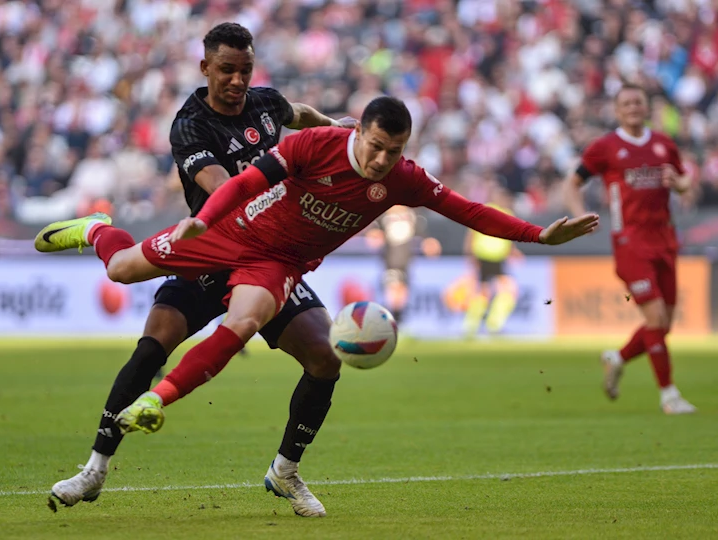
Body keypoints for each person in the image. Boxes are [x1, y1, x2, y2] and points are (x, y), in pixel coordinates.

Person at [36, 97, 598, 515]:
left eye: (393, 151)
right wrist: (204, 219)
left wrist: (537, 235)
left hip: (276, 262)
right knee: (123, 267)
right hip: (230, 230)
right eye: (375, 146)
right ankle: (97, 230)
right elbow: (248, 181)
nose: (381, 160)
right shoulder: (314, 146)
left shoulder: (402, 179)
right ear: (359, 131)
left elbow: (468, 209)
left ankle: (186, 414)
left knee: (251, 322)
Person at [48, 23, 356, 517]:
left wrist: (335, 125)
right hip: (208, 251)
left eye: (245, 70)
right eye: (227, 71)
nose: (237, 80)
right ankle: (93, 471)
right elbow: (218, 186)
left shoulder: (265, 102)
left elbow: (297, 114)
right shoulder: (189, 124)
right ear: (205, 68)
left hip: (265, 258)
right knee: (150, 346)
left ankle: (285, 472)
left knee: (325, 358)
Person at [563, 83, 696, 415]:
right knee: (655, 316)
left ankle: (618, 358)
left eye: (638, 102)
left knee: (663, 324)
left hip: (665, 239)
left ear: (647, 107)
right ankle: (669, 395)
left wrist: (680, 184)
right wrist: (579, 216)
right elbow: (573, 182)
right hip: (630, 243)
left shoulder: (664, 145)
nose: (633, 107)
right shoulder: (605, 148)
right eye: (626, 103)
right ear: (618, 110)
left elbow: (684, 182)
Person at [461, 183, 522, 337]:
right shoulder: (487, 211)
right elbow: (472, 235)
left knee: (491, 291)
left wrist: (513, 252)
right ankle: (484, 324)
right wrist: (470, 254)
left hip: (495, 258)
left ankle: (480, 324)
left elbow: (508, 238)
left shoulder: (503, 213)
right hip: (486, 257)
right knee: (490, 291)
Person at [364, 205, 441, 326]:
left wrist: (428, 242)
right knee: (393, 288)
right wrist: (374, 236)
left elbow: (422, 233)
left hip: (406, 259)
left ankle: (397, 320)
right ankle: (394, 319)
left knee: (402, 289)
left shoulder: (412, 215)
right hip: (390, 258)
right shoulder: (384, 216)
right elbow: (374, 233)